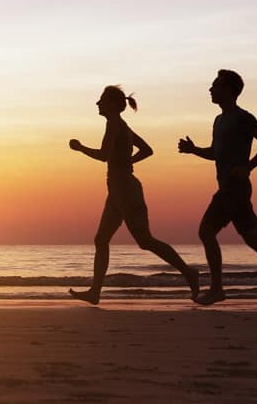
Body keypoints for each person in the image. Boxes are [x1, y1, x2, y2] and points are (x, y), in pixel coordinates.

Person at [178, 69, 257, 309]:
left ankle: (217, 289)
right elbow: (216, 153)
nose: (211, 89)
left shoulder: (243, 118)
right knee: (253, 237)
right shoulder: (219, 120)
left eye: (216, 85)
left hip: (235, 188)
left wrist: (249, 166)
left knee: (206, 231)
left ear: (230, 90)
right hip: (232, 187)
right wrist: (194, 150)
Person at [68, 85, 200, 305]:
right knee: (101, 239)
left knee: (145, 241)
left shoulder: (114, 125)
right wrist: (128, 161)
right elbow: (147, 150)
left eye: (101, 99)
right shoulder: (122, 126)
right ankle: (95, 292)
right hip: (118, 190)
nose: (97, 103)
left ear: (112, 104)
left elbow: (103, 156)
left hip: (126, 190)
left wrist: (81, 148)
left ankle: (189, 273)